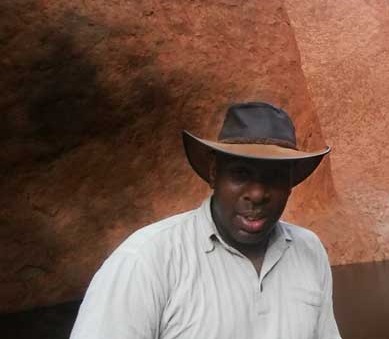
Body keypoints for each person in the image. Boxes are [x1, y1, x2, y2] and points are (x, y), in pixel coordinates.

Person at [70, 101, 340, 339]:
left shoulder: (309, 251)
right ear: (214, 174)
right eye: (241, 174)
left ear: (290, 183)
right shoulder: (147, 259)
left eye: (274, 176)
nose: (257, 194)